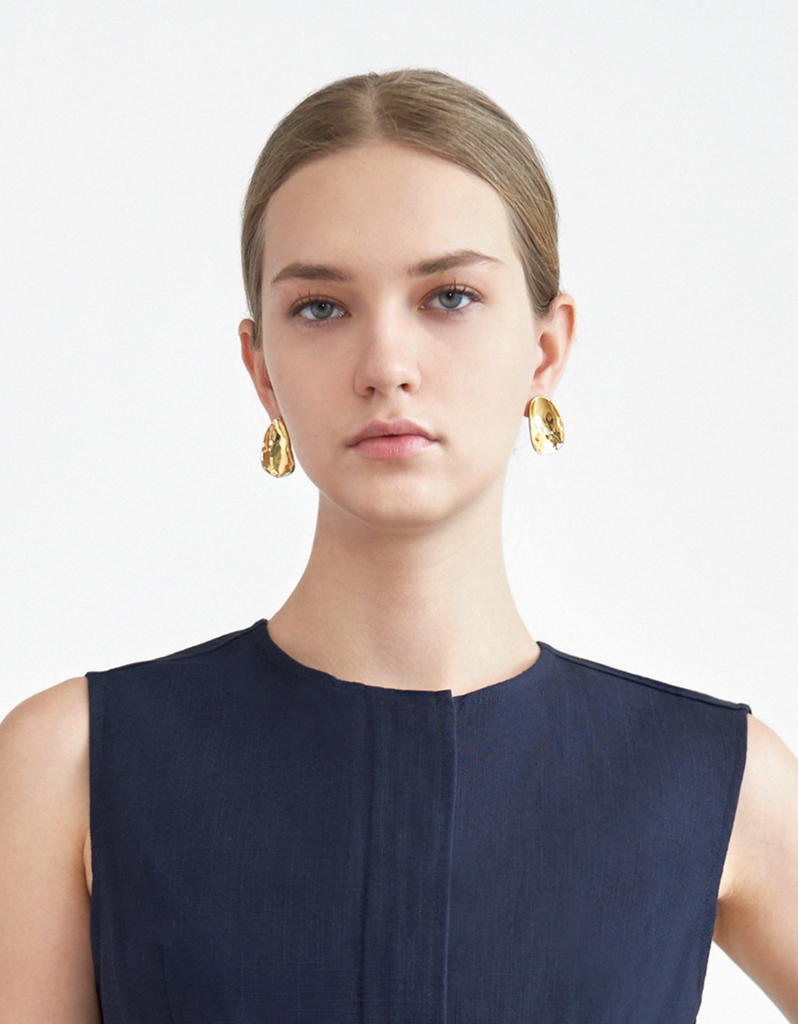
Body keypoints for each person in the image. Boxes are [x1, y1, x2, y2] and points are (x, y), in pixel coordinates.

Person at [1, 68, 797, 1023]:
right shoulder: (71, 767)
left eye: (449, 296)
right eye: (321, 307)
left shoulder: (713, 779)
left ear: (546, 349)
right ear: (262, 369)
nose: (385, 365)